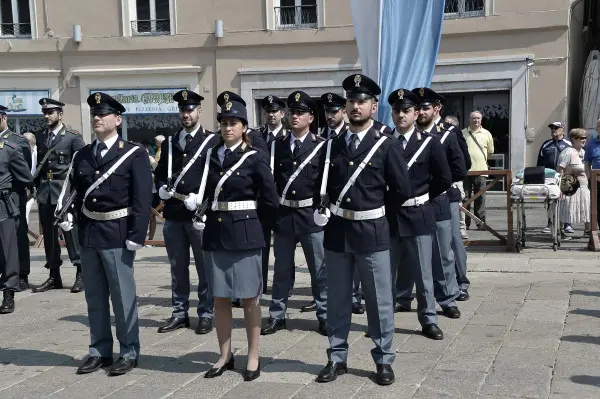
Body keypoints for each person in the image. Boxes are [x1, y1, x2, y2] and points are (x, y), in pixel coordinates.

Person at [314, 74, 410, 386]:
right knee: (339, 299)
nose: (355, 106)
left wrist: (377, 215)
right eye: (351, 101)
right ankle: (337, 356)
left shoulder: (386, 145)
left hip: (373, 232)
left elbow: (401, 190)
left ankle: (383, 358)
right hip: (339, 232)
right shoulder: (332, 146)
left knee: (379, 300)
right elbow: (322, 186)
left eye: (362, 101)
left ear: (373, 106)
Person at [58, 92, 152, 376]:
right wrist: (71, 213)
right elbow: (76, 191)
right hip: (89, 233)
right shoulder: (83, 154)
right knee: (95, 296)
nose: (97, 118)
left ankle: (128, 351)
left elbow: (142, 199)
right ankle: (99, 350)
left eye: (103, 114)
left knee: (123, 296)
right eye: (94, 114)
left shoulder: (134, 153)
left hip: (118, 232)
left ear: (118, 119)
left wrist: (137, 234)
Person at [184, 98, 278, 381]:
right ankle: (224, 354)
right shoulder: (212, 155)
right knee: (220, 298)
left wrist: (257, 230)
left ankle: (253, 354)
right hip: (216, 232)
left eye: (233, 123)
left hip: (246, 234)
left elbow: (270, 201)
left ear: (244, 127)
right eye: (224, 123)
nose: (227, 128)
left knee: (250, 298)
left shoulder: (255, 156)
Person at [261, 91, 328, 337]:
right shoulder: (276, 146)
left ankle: (324, 314)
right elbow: (271, 182)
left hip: (310, 214)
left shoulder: (320, 146)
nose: (295, 116)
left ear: (311, 117)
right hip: (284, 213)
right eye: (292, 112)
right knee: (281, 270)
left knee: (319, 269)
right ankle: (276, 315)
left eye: (300, 113)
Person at [154, 90, 216, 335]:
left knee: (205, 268)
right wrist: (160, 190)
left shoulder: (211, 141)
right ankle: (179, 312)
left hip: (198, 213)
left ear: (199, 111)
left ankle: (206, 313)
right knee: (177, 267)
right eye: (182, 110)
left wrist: (204, 199)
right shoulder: (170, 142)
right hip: (174, 212)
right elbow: (160, 172)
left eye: (190, 109)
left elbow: (216, 176)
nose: (186, 114)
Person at [405, 87, 463, 318]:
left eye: (425, 108)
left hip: (437, 199)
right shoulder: (402, 134)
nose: (421, 113)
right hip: (409, 205)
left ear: (435, 109)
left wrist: (430, 186)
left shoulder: (446, 134)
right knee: (408, 256)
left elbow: (460, 167)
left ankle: (447, 298)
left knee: (442, 254)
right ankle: (403, 296)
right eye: (418, 108)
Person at [31, 99, 85, 293]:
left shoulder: (72, 138)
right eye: (45, 112)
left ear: (60, 114)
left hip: (66, 191)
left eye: (51, 112)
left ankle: (81, 273)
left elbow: (82, 168)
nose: (47, 116)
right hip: (46, 191)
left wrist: (76, 194)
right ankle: (54, 275)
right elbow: (37, 166)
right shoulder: (39, 137)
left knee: (71, 232)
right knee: (50, 236)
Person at [319, 92, 364, 314]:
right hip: (331, 212)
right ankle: (328, 301)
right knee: (331, 262)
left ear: (343, 113)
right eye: (327, 111)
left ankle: (355, 297)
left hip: (360, 211)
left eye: (335, 110)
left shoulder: (354, 136)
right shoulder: (320, 138)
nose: (330, 115)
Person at [0, 105, 34, 313]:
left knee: (8, 250)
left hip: (5, 204)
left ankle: (9, 293)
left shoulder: (12, 146)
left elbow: (25, 178)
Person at [258, 95, 288, 293]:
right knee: (260, 246)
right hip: (260, 200)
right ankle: (259, 285)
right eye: (268, 111)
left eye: (274, 111)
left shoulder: (288, 136)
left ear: (282, 114)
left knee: (283, 248)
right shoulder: (257, 136)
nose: (270, 115)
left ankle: (285, 285)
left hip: (281, 200)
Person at [462, 110, 494, 231]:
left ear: (481, 120)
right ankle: (465, 223)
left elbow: (490, 152)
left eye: (478, 118)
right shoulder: (462, 133)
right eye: (474, 118)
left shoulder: (487, 134)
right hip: (466, 171)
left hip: (481, 171)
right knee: (465, 198)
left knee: (480, 198)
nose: (476, 120)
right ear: (469, 120)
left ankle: (480, 223)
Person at [537, 122, 571, 233]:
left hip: (565, 176)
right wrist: (540, 177)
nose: (553, 130)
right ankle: (550, 223)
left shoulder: (568, 144)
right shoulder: (546, 144)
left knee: (566, 200)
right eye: (552, 128)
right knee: (550, 200)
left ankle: (567, 224)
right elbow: (540, 163)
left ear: (563, 131)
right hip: (549, 178)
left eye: (556, 128)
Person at [558, 128, 590, 235]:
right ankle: (560, 231)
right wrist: (561, 186)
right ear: (573, 139)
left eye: (585, 138)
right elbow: (560, 169)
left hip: (584, 186)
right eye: (581, 138)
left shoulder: (585, 152)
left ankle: (588, 231)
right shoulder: (568, 152)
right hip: (571, 187)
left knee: (586, 210)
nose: (584, 140)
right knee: (566, 210)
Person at [22, 132, 37, 225]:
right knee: (25, 207)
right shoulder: (22, 152)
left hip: (39, 187)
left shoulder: (38, 152)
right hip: (27, 188)